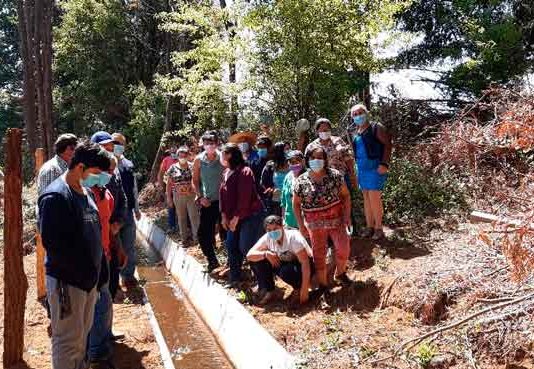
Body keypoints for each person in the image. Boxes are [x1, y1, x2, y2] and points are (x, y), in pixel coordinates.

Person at [38, 141, 111, 369]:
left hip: (89, 283)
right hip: (68, 284)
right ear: (80, 167)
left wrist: (100, 275)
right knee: (68, 343)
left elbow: (94, 234)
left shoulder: (86, 193)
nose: (99, 178)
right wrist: (83, 274)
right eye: (96, 173)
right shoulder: (56, 198)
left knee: (81, 340)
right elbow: (55, 246)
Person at [293, 146, 352, 288]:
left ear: (325, 159)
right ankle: (323, 286)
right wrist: (301, 226)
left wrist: (347, 216)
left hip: (336, 221)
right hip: (314, 225)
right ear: (307, 160)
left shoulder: (335, 175)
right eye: (313, 158)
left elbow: (346, 195)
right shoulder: (301, 181)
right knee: (319, 255)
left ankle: (340, 273)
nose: (316, 160)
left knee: (343, 249)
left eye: (320, 157)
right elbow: (296, 204)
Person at [219, 143, 265, 288]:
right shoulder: (226, 173)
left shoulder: (245, 172)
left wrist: (236, 218)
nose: (221, 155)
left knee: (247, 247)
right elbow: (223, 197)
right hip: (233, 217)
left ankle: (263, 282)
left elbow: (244, 198)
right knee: (231, 245)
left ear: (230, 155)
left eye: (223, 153)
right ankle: (235, 279)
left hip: (250, 215)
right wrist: (224, 216)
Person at [90, 131, 128, 300]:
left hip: (112, 227)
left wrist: (118, 222)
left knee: (114, 262)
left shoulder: (115, 169)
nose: (110, 149)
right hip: (97, 231)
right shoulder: (89, 175)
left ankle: (112, 293)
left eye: (111, 147)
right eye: (106, 147)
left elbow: (122, 198)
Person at [247, 215, 313, 305]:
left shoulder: (293, 238)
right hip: (285, 263)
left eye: (275, 228)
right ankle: (270, 291)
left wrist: (305, 290)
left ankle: (299, 289)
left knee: (286, 271)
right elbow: (249, 255)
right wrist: (265, 254)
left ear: (282, 226)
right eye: (269, 230)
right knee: (258, 260)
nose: (272, 232)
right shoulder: (268, 238)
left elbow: (305, 263)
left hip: (304, 266)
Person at [87, 162, 116, 368]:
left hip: (103, 253)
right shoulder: (85, 194)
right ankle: (95, 353)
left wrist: (113, 248)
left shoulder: (104, 191)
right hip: (91, 256)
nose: (110, 175)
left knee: (104, 301)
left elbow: (107, 223)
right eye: (107, 171)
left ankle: (101, 345)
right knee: (97, 303)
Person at [350, 104, 392, 240]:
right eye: (355, 114)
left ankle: (379, 228)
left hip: (375, 167)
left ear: (366, 113)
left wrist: (384, 163)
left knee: (374, 197)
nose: (358, 116)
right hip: (361, 169)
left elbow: (387, 145)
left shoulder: (376, 127)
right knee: (366, 199)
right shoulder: (355, 132)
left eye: (360, 112)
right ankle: (370, 227)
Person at [192, 131, 224, 272]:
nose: (210, 146)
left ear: (217, 144)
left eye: (212, 143)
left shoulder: (223, 158)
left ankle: (231, 264)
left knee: (226, 232)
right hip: (208, 202)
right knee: (204, 234)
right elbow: (195, 181)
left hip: (224, 202)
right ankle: (212, 261)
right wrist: (200, 197)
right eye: (207, 143)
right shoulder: (199, 160)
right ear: (203, 145)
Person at [112, 133, 141, 286]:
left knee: (129, 245)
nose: (117, 145)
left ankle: (128, 276)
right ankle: (113, 280)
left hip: (128, 212)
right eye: (115, 142)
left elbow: (133, 188)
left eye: (120, 143)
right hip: (111, 213)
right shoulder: (105, 163)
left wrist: (136, 208)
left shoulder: (128, 165)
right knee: (113, 246)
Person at [166, 146, 199, 247]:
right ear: (178, 156)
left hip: (191, 195)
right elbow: (168, 184)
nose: (183, 157)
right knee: (181, 217)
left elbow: (197, 180)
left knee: (194, 216)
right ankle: (184, 239)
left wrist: (198, 194)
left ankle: (197, 239)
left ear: (188, 155)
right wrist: (169, 198)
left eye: (185, 155)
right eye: (181, 155)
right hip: (178, 196)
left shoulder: (192, 166)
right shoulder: (172, 168)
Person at [260, 142, 290, 216]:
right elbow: (263, 182)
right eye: (285, 149)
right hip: (276, 200)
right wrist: (271, 190)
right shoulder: (270, 165)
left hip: (290, 198)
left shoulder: (291, 163)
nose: (287, 151)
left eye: (288, 149)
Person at [280, 150, 305, 229]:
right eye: (292, 161)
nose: (295, 163)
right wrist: (283, 219)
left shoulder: (308, 176)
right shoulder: (288, 177)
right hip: (289, 223)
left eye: (297, 160)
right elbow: (284, 201)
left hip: (306, 223)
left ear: (303, 161)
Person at [158, 145, 178, 232]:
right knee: (171, 207)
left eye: (175, 148)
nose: (173, 150)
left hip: (182, 189)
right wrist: (162, 186)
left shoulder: (183, 158)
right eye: (172, 149)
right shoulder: (166, 160)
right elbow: (160, 174)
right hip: (170, 188)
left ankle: (186, 227)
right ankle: (172, 226)